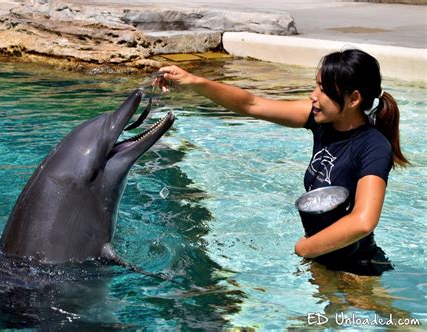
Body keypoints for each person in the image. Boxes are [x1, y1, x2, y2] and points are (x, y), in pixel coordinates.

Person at [153, 49, 409, 276]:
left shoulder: (373, 147)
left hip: (358, 267)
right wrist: (193, 81)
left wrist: (304, 248)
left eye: (323, 89)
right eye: (316, 85)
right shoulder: (321, 121)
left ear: (353, 99)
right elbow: (250, 104)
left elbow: (363, 221)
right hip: (322, 258)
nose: (313, 96)